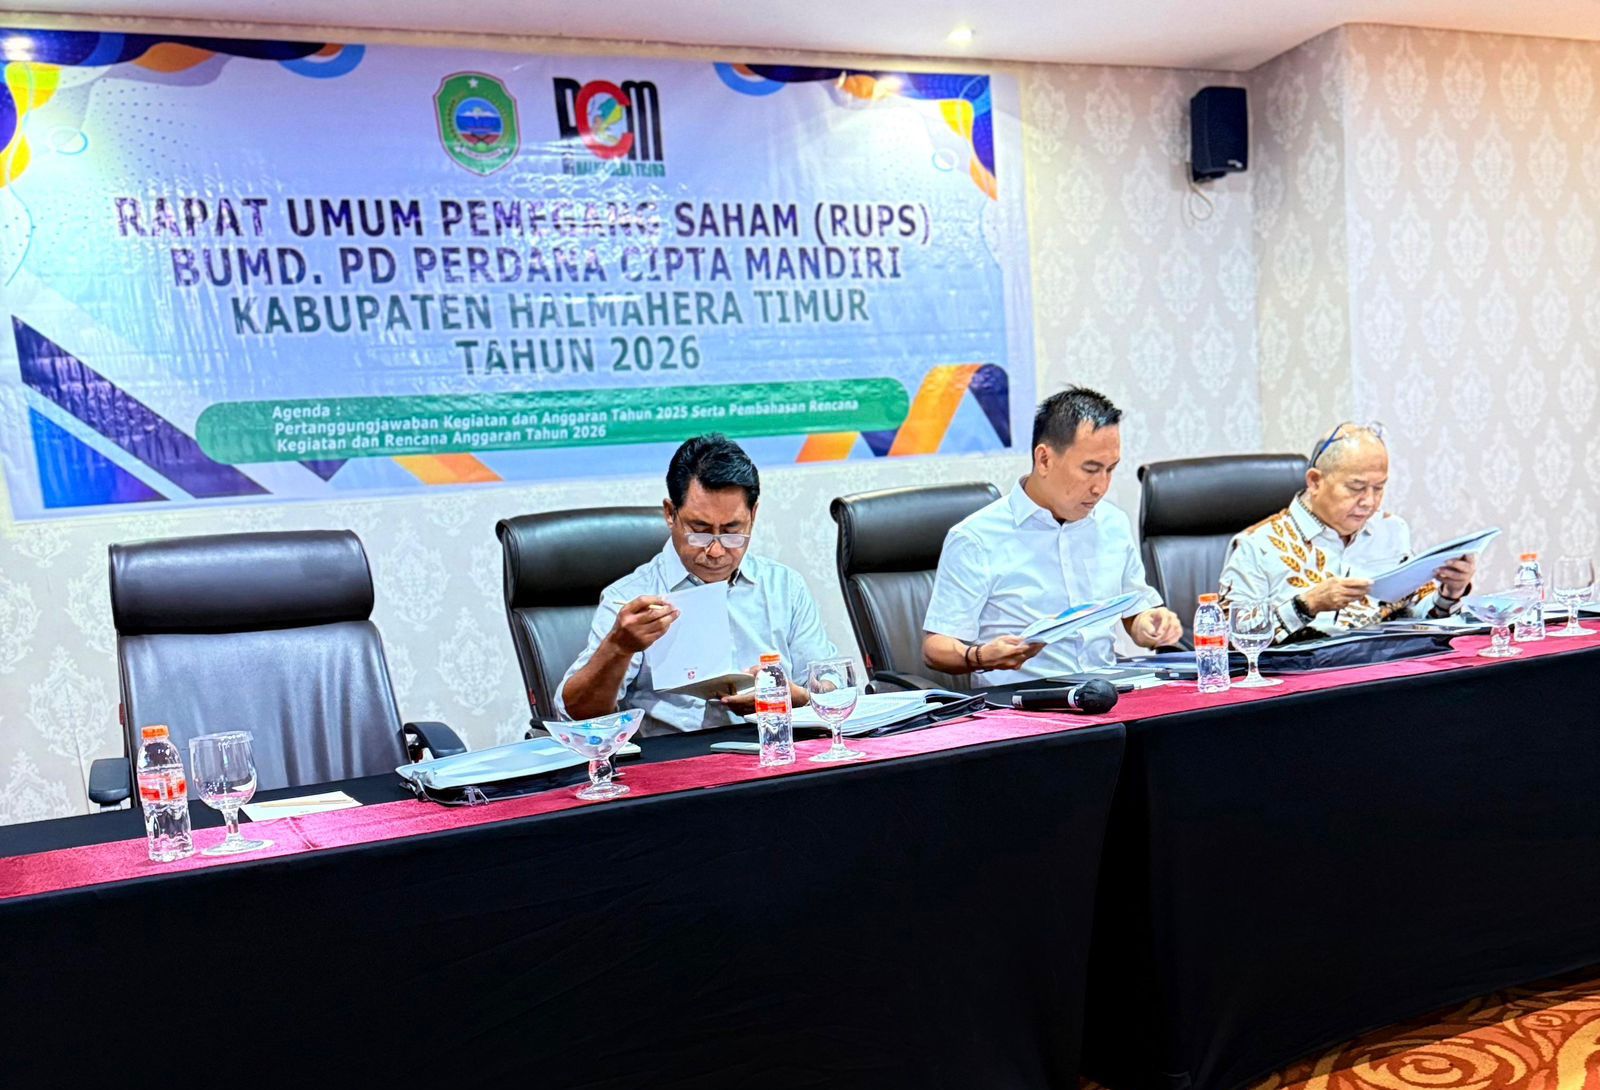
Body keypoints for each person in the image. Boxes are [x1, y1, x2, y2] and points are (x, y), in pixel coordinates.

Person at [557, 434, 837, 736]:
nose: (715, 550)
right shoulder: (629, 599)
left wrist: (797, 697)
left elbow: (832, 684)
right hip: (675, 757)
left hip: (774, 747)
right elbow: (578, 715)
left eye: (731, 531)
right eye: (700, 530)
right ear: (670, 513)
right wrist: (618, 647)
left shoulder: (784, 587)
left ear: (753, 515)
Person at [922, 386, 1183, 686]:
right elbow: (935, 648)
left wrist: (1147, 624)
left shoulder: (1112, 523)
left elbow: (1134, 611)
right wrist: (980, 656)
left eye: (1110, 469)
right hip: (1022, 702)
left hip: (1107, 693)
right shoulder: (976, 538)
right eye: (1090, 469)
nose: (1101, 487)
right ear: (1044, 459)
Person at [1218, 421, 1475, 641]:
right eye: (1356, 488)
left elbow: (1418, 617)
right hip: (1307, 680)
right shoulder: (1257, 546)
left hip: (1387, 672)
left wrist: (1450, 592)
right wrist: (1306, 605)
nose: (1370, 502)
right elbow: (1231, 642)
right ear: (1315, 481)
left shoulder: (1391, 529)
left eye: (1379, 488)